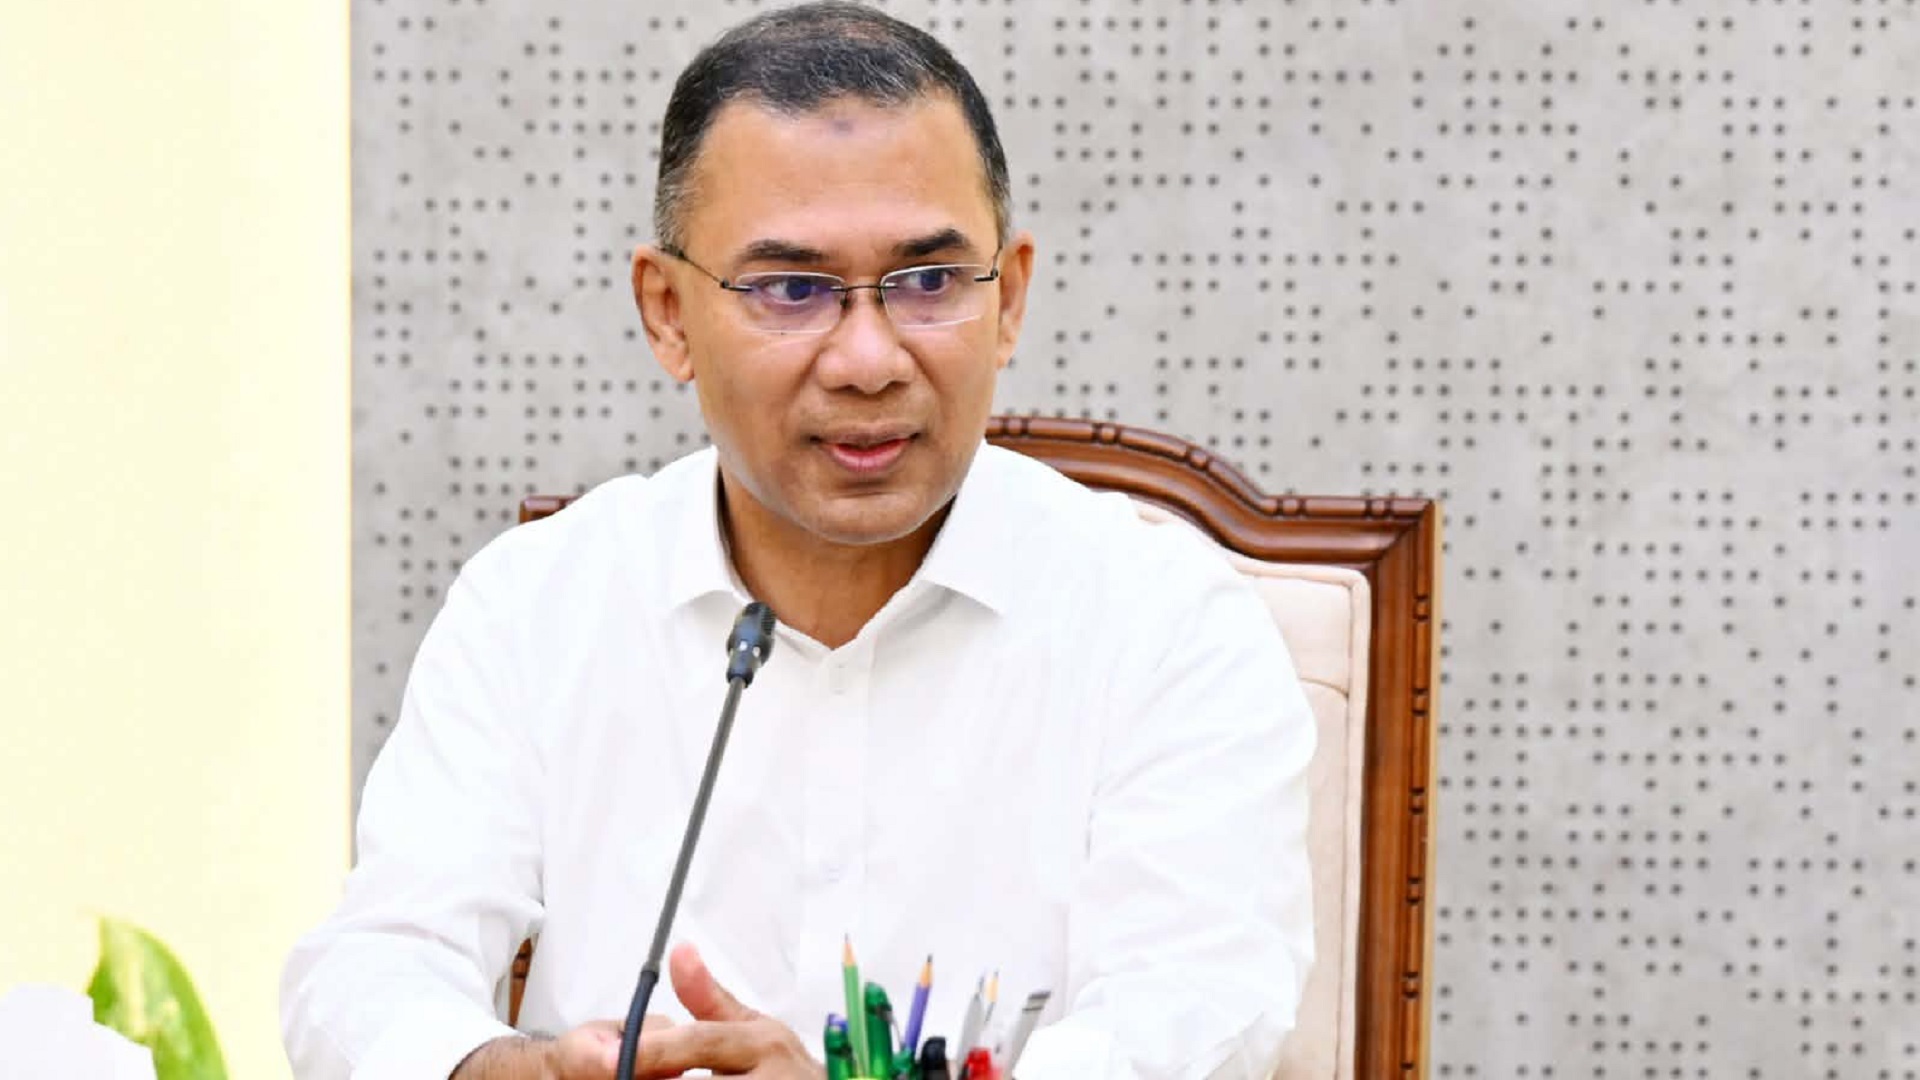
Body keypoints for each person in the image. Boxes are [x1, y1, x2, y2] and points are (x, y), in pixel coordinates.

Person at [281, 4, 1315, 1078]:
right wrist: (513, 1073)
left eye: (928, 283)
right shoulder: (537, 605)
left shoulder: (1167, 624)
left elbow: (1193, 1012)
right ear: (668, 314)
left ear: (1008, 299)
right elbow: (371, 971)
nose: (869, 360)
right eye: (791, 290)